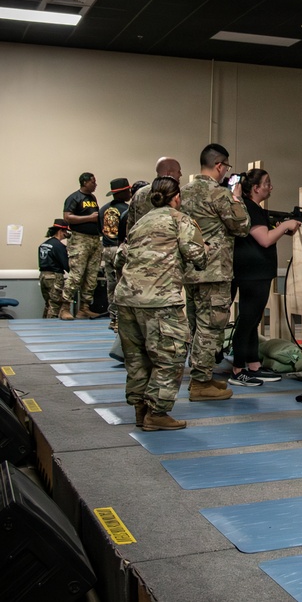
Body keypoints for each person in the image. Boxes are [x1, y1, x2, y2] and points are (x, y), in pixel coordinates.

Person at [115, 177, 207, 431]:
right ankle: (157, 413)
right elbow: (197, 257)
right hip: (160, 300)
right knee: (171, 356)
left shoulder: (141, 222)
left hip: (127, 299)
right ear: (177, 197)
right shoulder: (180, 220)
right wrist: (206, 248)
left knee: (137, 358)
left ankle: (140, 410)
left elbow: (119, 257)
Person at [180, 144, 250, 401]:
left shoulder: (183, 192)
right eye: (226, 168)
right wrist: (237, 197)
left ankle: (202, 377)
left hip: (190, 269)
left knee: (196, 325)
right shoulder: (219, 194)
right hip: (214, 270)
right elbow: (241, 226)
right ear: (219, 165)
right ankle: (200, 384)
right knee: (211, 327)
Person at [229, 168, 301, 387]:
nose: (271, 187)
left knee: (253, 320)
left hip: (257, 272)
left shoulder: (255, 209)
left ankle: (253, 365)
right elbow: (265, 240)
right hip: (252, 273)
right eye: (267, 183)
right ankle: (238, 368)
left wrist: (280, 228)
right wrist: (286, 226)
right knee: (248, 320)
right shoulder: (249, 208)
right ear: (256, 188)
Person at [59, 172, 102, 320]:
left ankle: (84, 308)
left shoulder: (92, 198)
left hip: (95, 239)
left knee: (91, 276)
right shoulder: (74, 197)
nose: (95, 184)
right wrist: (89, 218)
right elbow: (67, 217)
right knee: (76, 275)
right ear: (84, 182)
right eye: (93, 182)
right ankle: (64, 307)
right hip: (79, 239)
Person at [99, 177, 131, 331]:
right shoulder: (127, 210)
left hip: (106, 249)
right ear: (123, 192)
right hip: (119, 249)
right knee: (122, 284)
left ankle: (113, 318)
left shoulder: (102, 209)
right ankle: (121, 319)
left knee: (111, 285)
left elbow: (101, 229)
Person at [129, 158, 181, 233]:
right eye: (178, 171)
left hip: (141, 241)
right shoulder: (176, 194)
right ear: (169, 173)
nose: (180, 174)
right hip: (169, 241)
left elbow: (130, 226)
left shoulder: (139, 194)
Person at [38, 219, 70, 318]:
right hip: (54, 277)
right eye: (65, 232)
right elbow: (66, 264)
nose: (66, 234)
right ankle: (51, 328)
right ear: (61, 231)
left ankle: (44, 325)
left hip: (43, 276)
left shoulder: (43, 244)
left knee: (48, 304)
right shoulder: (58, 246)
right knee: (55, 305)